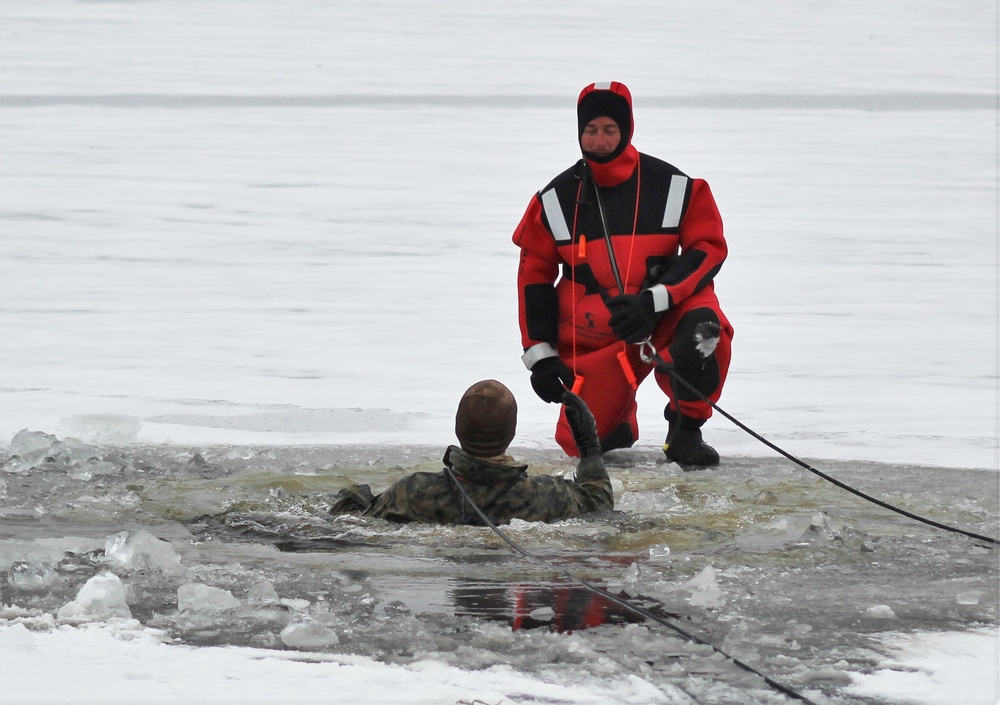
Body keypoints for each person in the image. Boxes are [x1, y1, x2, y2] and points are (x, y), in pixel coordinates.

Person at [513, 81, 734, 467]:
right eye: (590, 130)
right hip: (598, 337)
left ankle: (685, 432)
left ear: (627, 129)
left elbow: (709, 248)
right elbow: (534, 275)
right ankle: (620, 421)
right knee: (579, 442)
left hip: (664, 316)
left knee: (706, 328)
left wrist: (655, 300)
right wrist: (540, 355)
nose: (599, 140)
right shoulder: (554, 200)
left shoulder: (675, 187)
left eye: (609, 130)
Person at [329, 380, 612, 524]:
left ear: (457, 429)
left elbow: (348, 520)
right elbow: (599, 507)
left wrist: (354, 495)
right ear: (512, 434)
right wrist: (589, 446)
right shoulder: (547, 493)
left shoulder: (414, 490)